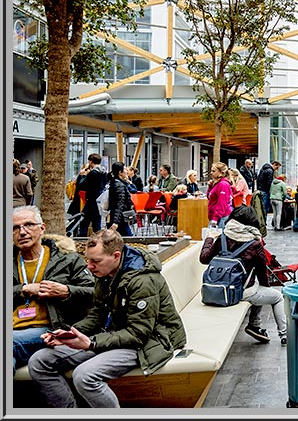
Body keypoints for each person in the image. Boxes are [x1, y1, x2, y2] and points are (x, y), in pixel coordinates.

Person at [27, 228, 186, 408]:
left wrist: (92, 343)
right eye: (87, 259)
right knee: (39, 361)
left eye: (95, 261)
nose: (89, 266)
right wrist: (68, 334)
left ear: (116, 256)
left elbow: (139, 334)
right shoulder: (104, 274)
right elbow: (97, 315)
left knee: (85, 376)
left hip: (150, 342)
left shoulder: (142, 281)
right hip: (117, 334)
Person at [12, 206, 95, 375]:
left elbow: (95, 293)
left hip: (51, 329)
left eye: (28, 225)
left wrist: (66, 291)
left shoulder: (67, 260)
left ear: (42, 228)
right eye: (15, 228)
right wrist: (24, 289)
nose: (22, 232)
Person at [200, 205, 288, 345]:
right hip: (239, 292)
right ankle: (284, 335)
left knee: (258, 287)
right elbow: (262, 273)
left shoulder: (222, 237)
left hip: (215, 289)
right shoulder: (254, 243)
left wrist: (209, 239)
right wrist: (267, 287)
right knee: (276, 296)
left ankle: (255, 325)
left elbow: (204, 259)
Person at [73, 153, 108, 237]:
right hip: (99, 200)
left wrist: (82, 176)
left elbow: (82, 185)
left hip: (91, 201)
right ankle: (98, 239)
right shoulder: (103, 172)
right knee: (97, 222)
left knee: (84, 222)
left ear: (91, 161)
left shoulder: (92, 173)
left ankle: (82, 239)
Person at [106, 162, 134, 237]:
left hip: (117, 217)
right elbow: (119, 204)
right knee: (128, 238)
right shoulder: (119, 185)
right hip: (120, 218)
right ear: (120, 172)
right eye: (125, 169)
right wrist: (116, 222)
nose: (126, 171)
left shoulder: (115, 182)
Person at [207, 162, 233, 228]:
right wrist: (210, 187)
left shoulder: (223, 184)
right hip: (216, 215)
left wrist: (215, 218)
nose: (211, 173)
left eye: (214, 171)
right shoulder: (217, 183)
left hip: (221, 217)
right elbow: (210, 197)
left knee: (219, 236)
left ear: (221, 172)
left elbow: (222, 203)